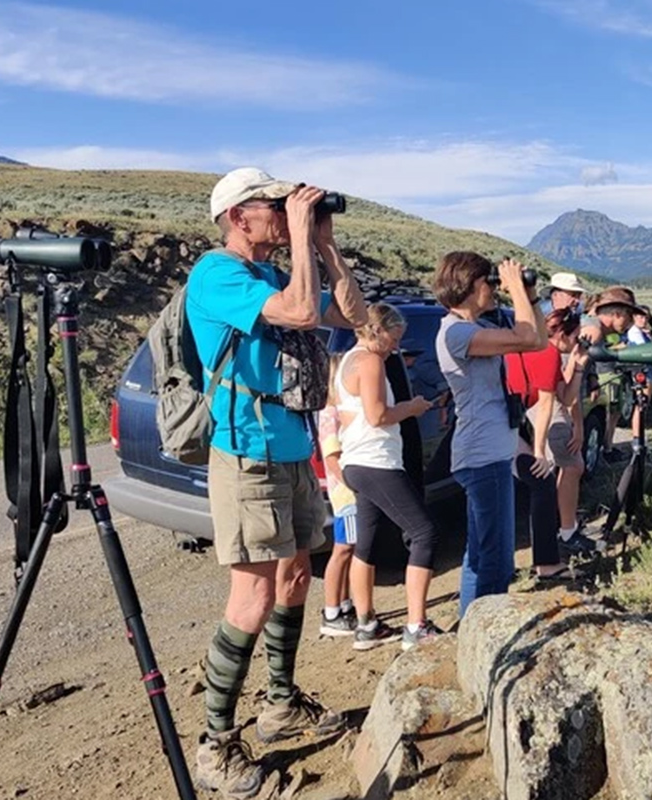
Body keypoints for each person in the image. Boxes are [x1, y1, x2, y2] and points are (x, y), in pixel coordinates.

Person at [186, 166, 367, 797]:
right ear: (239, 217)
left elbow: (354, 314)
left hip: (292, 448)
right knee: (253, 598)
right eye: (273, 204)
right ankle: (214, 747)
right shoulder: (217, 273)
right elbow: (299, 311)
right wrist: (300, 231)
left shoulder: (272, 272)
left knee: (295, 578)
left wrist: (324, 244)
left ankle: (281, 703)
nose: (283, 211)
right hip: (247, 452)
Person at [433, 252, 546, 617]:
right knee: (497, 560)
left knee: (480, 554)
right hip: (483, 456)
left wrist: (529, 297)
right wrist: (515, 288)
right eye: (489, 283)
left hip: (488, 452)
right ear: (468, 285)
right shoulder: (457, 333)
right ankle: (488, 632)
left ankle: (470, 627)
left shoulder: (472, 327)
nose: (494, 290)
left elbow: (538, 341)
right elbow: (526, 337)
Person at [336, 303, 442, 651]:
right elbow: (378, 415)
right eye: (394, 339)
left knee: (366, 541)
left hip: (355, 460)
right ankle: (416, 625)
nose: (395, 347)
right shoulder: (370, 361)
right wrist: (412, 408)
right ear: (378, 330)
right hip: (377, 461)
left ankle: (366, 624)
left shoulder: (346, 360)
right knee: (424, 532)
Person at [505, 308, 598, 569]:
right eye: (576, 336)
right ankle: (553, 549)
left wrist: (578, 365)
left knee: (542, 484)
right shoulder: (546, 352)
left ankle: (547, 558)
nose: (578, 342)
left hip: (511, 420)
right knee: (543, 480)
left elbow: (566, 397)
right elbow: (547, 404)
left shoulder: (551, 352)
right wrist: (539, 452)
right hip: (504, 423)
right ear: (562, 335)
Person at [316, 354, 356, 638]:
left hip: (349, 491)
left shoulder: (337, 412)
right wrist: (353, 484)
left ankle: (343, 602)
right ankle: (331, 611)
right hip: (347, 494)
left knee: (350, 549)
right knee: (343, 549)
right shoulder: (330, 416)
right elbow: (332, 458)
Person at [579, 287, 640, 463]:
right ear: (617, 314)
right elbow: (574, 365)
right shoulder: (594, 331)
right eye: (629, 316)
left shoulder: (592, 325)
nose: (630, 323)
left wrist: (592, 378)